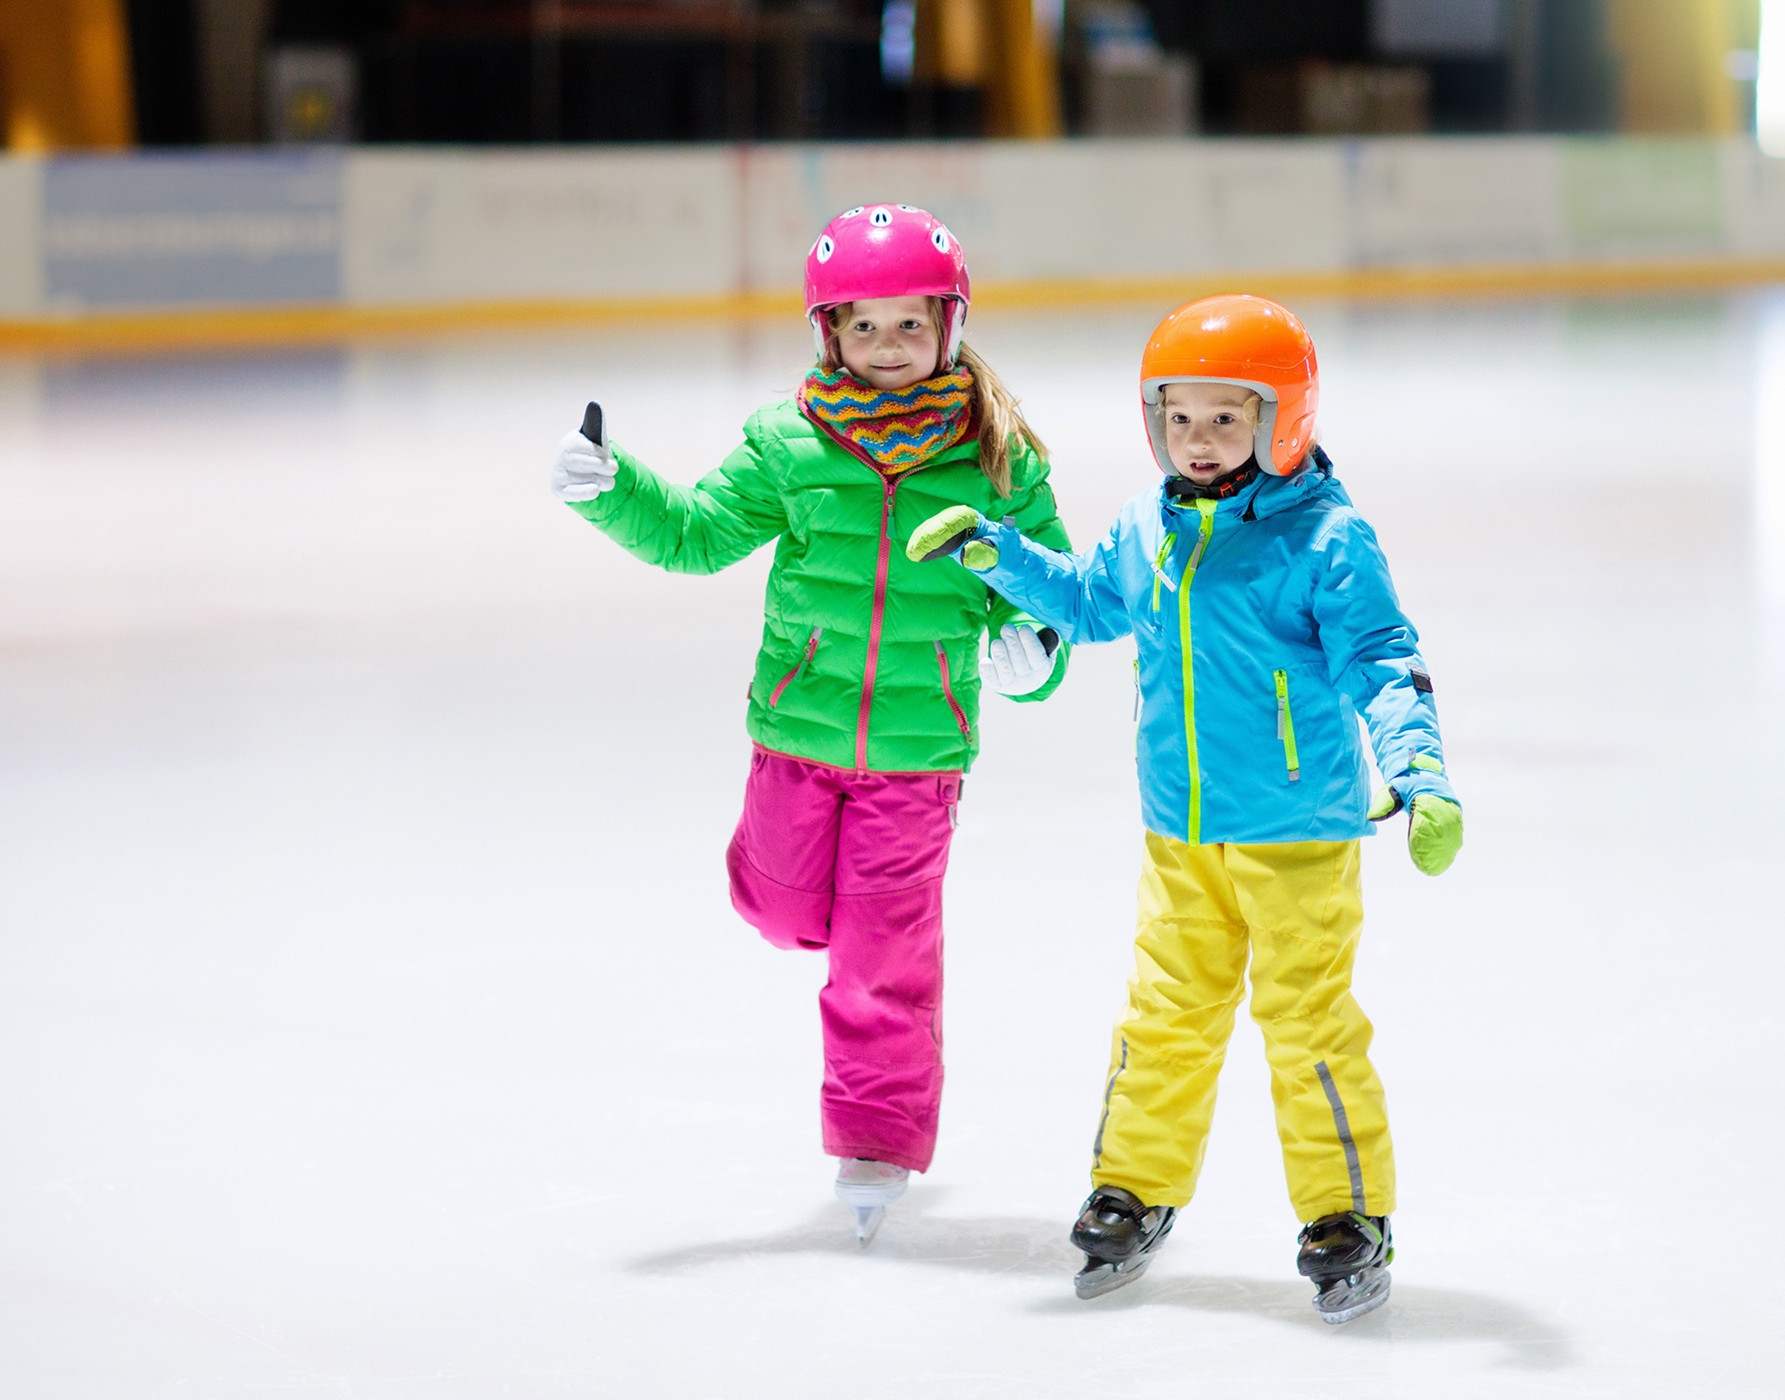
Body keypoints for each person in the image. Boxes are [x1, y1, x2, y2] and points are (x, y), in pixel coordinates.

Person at [904, 293, 1462, 1321]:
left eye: (1225, 417)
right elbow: (1082, 602)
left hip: (1298, 838)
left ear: (1281, 418)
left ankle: (1348, 1213)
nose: (1197, 440)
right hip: (1180, 836)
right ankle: (1134, 1187)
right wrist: (996, 550)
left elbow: (1384, 662)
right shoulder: (1144, 525)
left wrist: (1420, 772)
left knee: (1309, 1030)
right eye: (1178, 416)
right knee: (1164, 1021)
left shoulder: (1327, 540)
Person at [550, 204, 1072, 1243]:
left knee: (883, 955)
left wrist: (1039, 653)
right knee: (783, 908)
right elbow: (697, 534)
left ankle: (874, 1138)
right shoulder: (789, 444)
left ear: (951, 328)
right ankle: (794, 900)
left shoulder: (998, 458)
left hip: (919, 760)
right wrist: (613, 490)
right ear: (828, 332)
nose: (888, 349)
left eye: (910, 327)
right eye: (864, 327)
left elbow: (1049, 591)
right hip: (797, 732)